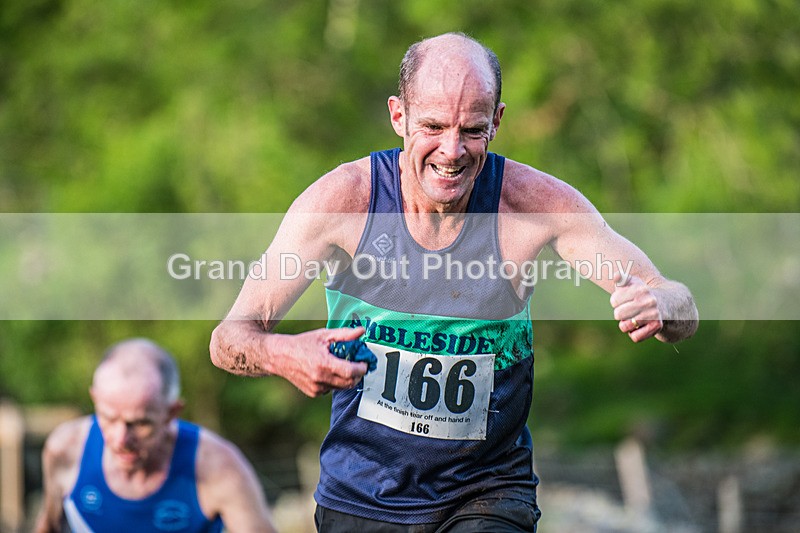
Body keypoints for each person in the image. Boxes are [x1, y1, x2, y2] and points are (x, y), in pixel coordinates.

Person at [209, 32, 698, 532]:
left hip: (486, 493)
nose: (452, 151)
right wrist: (283, 355)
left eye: (472, 130)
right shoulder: (343, 201)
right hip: (362, 494)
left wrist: (659, 306)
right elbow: (229, 340)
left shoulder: (533, 205)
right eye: (434, 126)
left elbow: (678, 300)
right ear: (398, 115)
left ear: (498, 121)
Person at [35, 338, 277, 533]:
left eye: (140, 423)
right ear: (95, 399)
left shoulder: (218, 467)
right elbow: (49, 525)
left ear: (171, 413)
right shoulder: (65, 449)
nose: (121, 440)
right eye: (108, 418)